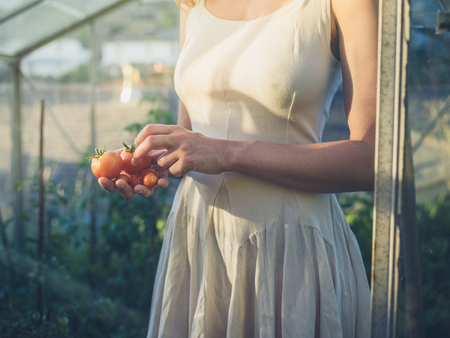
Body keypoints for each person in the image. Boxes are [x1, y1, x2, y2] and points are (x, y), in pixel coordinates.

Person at [99, 0, 377, 336]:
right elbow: (192, 134)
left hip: (288, 246)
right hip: (198, 236)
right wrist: (149, 162)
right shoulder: (192, 4)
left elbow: (371, 159)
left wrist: (227, 153)